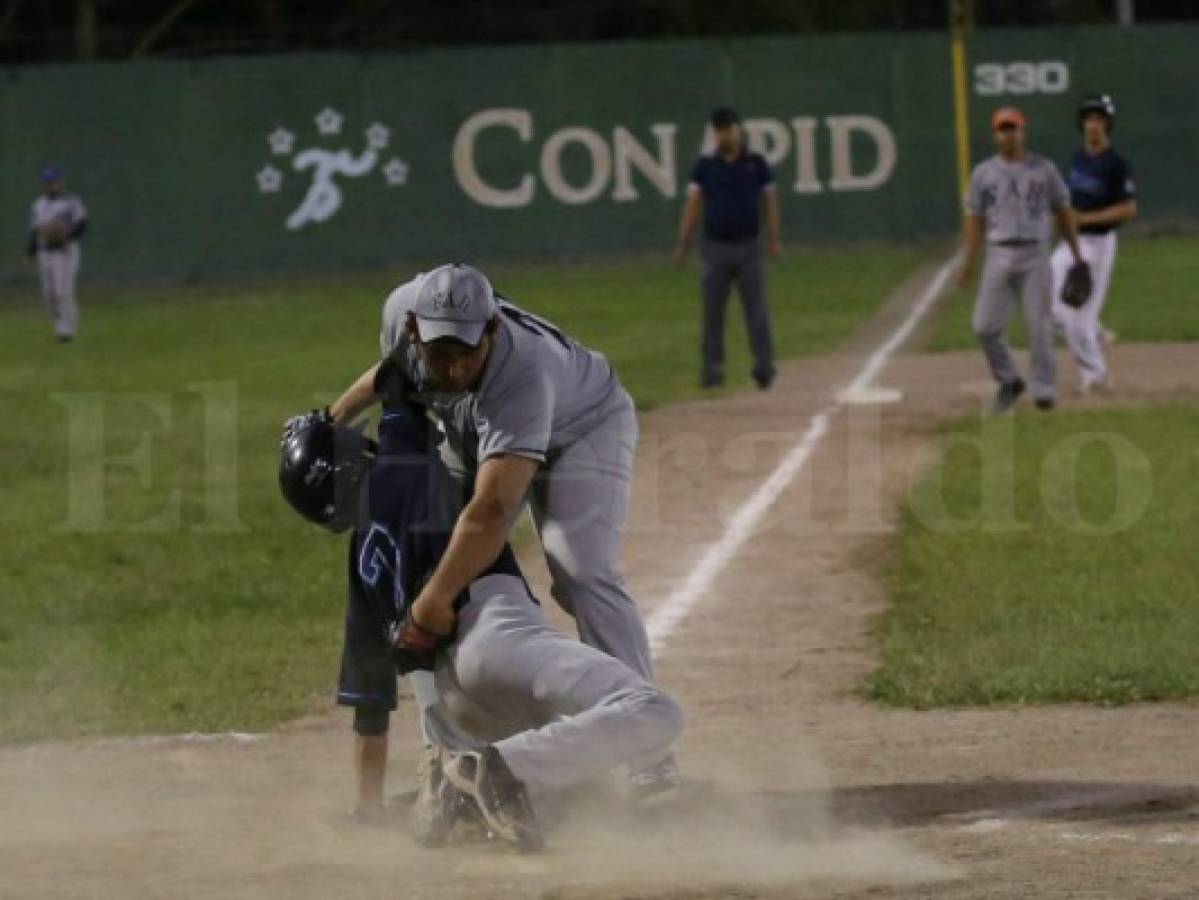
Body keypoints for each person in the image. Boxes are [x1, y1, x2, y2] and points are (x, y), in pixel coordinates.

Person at [328, 262, 679, 800]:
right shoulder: (401, 315)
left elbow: (492, 508)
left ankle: (648, 758)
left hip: (583, 429)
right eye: (440, 352)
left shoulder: (523, 371)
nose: (454, 367)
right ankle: (445, 750)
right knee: (423, 547)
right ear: (412, 330)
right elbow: (391, 374)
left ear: (491, 329)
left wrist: (435, 602)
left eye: (467, 350)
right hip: (480, 427)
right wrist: (334, 421)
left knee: (579, 569)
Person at [278, 406, 683, 850]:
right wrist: (338, 411)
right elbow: (402, 373)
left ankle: (466, 790)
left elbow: (369, 703)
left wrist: (368, 807)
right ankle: (493, 769)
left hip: (454, 701)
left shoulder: (362, 565)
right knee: (652, 710)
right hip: (495, 635)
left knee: (584, 800)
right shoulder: (400, 465)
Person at [956, 106, 1083, 414]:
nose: (1008, 134)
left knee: (1038, 326)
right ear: (995, 134)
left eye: (1013, 128)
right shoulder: (983, 173)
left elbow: (1062, 211)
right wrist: (968, 262)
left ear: (1023, 132)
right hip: (998, 254)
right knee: (984, 326)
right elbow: (975, 219)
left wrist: (1076, 253)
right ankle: (1009, 380)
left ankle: (1044, 390)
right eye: (1003, 129)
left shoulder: (1044, 169)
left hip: (1034, 253)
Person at [673, 107, 782, 390]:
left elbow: (769, 202)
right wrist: (683, 242)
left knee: (756, 310)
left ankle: (764, 366)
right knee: (712, 312)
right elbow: (694, 204)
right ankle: (712, 370)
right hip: (715, 247)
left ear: (739, 130)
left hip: (749, 246)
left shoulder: (756, 164)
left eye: (729, 127)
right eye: (720, 129)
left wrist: (773, 238)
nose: (725, 133)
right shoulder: (706, 167)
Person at [1050, 94, 1136, 394]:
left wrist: (1084, 219)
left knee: (1075, 323)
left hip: (1098, 245)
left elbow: (1127, 209)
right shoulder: (1078, 158)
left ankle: (1096, 374)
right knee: (1046, 306)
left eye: (1099, 119)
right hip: (1072, 241)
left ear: (1108, 124)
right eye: (1088, 119)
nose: (1093, 125)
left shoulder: (1116, 164)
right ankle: (1095, 331)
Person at [25, 167, 88, 343]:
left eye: (52, 182)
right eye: (46, 183)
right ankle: (60, 325)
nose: (50, 185)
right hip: (45, 252)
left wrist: (66, 235)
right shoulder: (38, 204)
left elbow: (83, 225)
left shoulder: (71, 202)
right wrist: (30, 251)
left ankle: (67, 331)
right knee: (49, 294)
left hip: (65, 252)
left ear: (59, 183)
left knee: (63, 292)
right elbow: (35, 231)